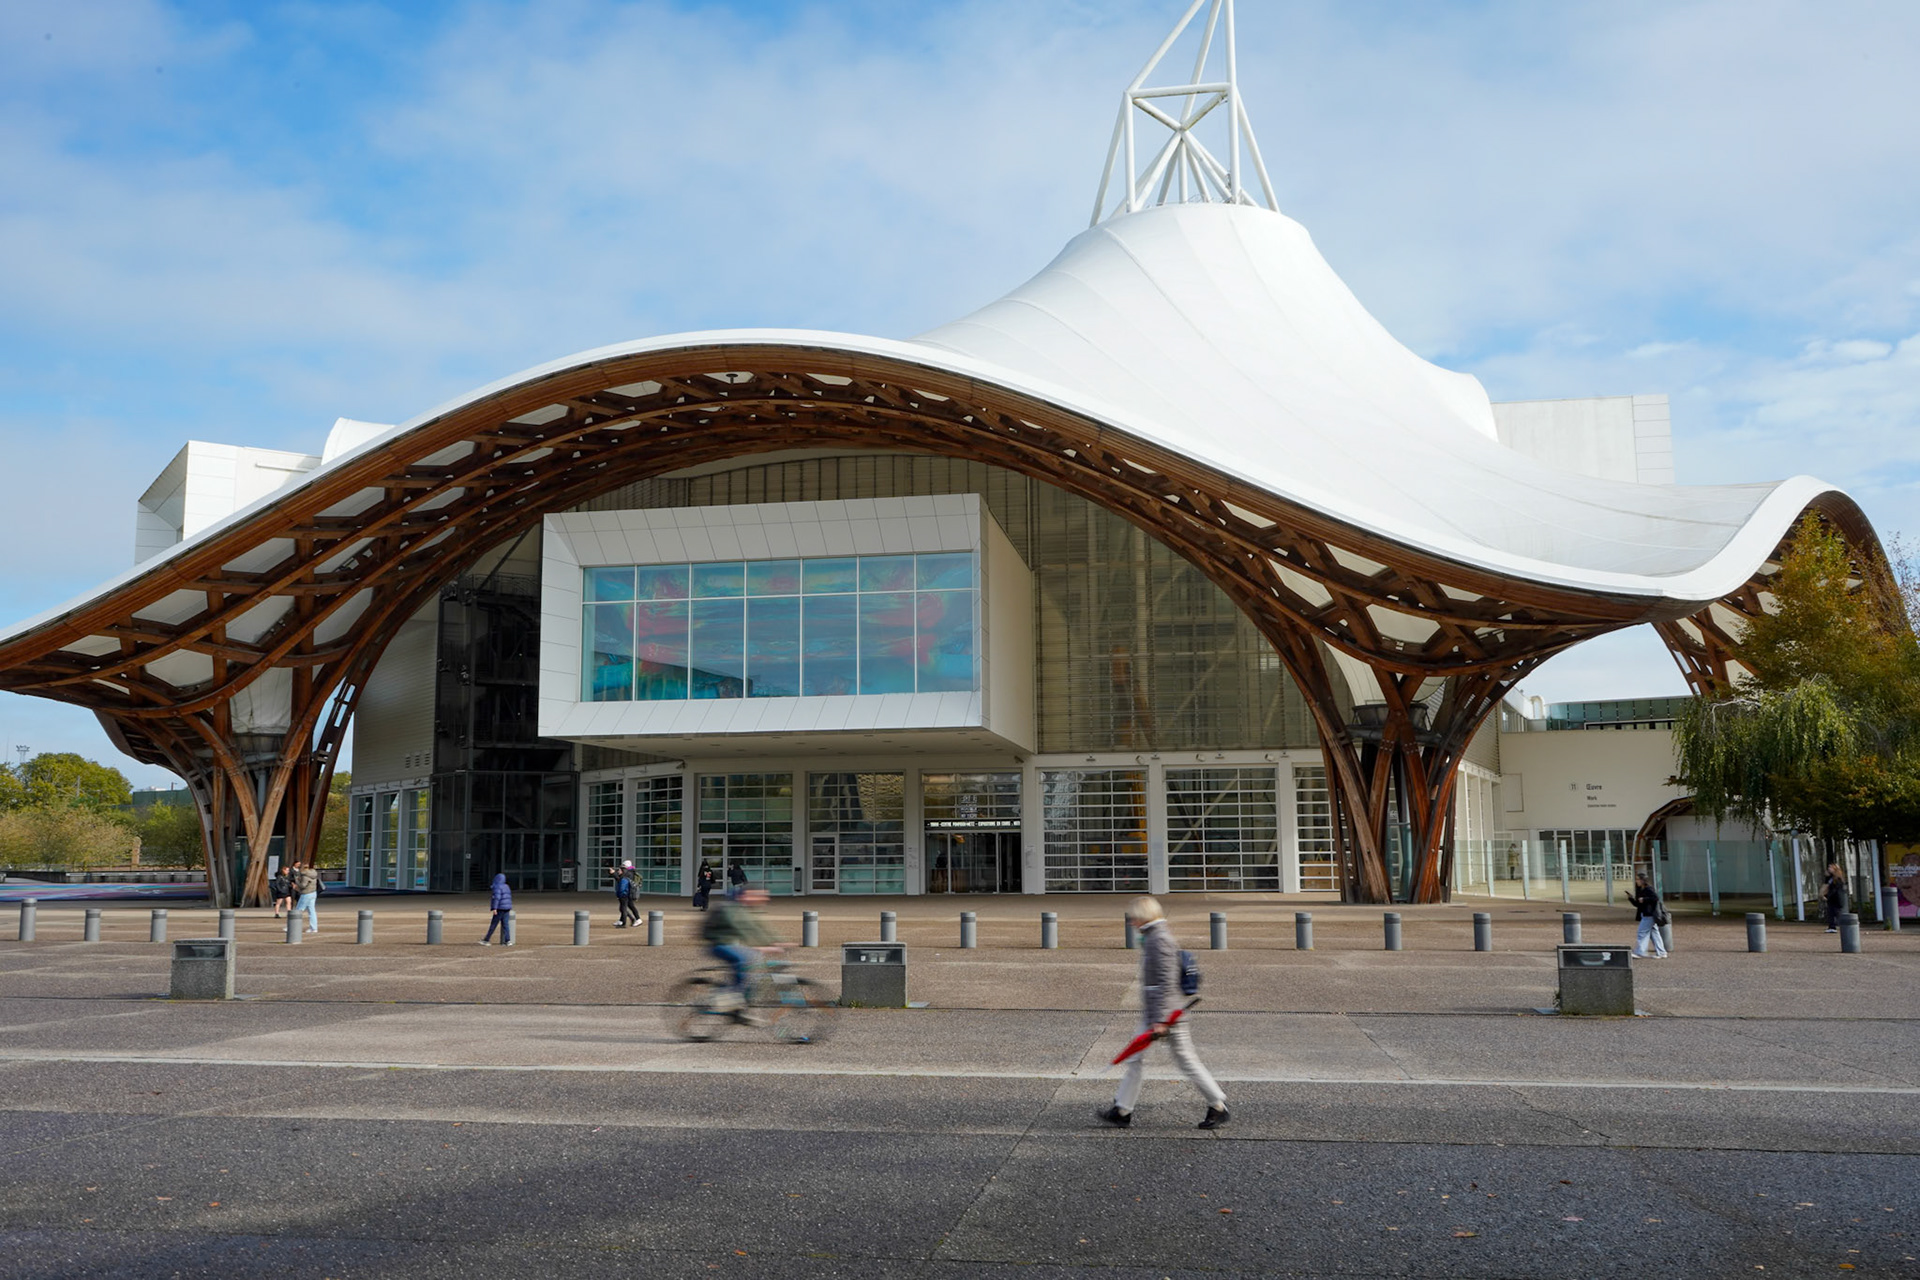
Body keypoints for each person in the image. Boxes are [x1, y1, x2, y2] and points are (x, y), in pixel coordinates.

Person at [1100, 896, 1228, 1130]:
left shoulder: (1159, 940)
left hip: (1165, 1015)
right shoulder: (1154, 937)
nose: (1131, 922)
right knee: (1139, 1058)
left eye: (1134, 917)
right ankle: (1122, 1109)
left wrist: (1160, 1020)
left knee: (1183, 1060)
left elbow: (1165, 982)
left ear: (1143, 916)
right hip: (1161, 1013)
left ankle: (1218, 1105)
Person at [701, 886, 779, 1024]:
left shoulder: (747, 910)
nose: (763, 899)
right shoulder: (729, 909)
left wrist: (780, 942)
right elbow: (742, 928)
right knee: (743, 960)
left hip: (733, 944)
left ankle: (740, 1010)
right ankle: (731, 1000)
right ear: (743, 896)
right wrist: (763, 946)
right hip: (719, 944)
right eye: (756, 895)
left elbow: (759, 928)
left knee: (754, 969)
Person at [1628, 871, 1669, 958]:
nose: (1637, 881)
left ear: (1643, 880)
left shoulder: (1648, 889)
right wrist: (1631, 899)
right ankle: (1662, 952)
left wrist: (1644, 899)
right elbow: (1638, 904)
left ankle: (1640, 951)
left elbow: (1655, 898)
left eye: (1638, 879)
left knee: (1642, 932)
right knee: (1654, 934)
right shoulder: (1641, 890)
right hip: (1646, 914)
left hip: (1649, 914)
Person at [480, 873, 513, 946]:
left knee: (493, 925)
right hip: (507, 908)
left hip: (499, 908)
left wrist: (494, 908)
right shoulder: (506, 886)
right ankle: (508, 941)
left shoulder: (497, 887)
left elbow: (496, 898)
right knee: (506, 925)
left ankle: (486, 939)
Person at [290, 861, 321, 934]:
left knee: (298, 910)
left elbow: (303, 885)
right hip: (313, 893)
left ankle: (292, 927)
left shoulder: (305, 876)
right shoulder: (314, 874)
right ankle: (314, 928)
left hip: (306, 894)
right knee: (312, 911)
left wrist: (297, 881)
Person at [1823, 862, 1849, 933]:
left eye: (1830, 868)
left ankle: (1835, 926)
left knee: (1836, 912)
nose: (1829, 869)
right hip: (1832, 899)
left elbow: (1835, 889)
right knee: (1831, 912)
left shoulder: (1837, 878)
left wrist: (1828, 896)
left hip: (1836, 898)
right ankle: (1832, 926)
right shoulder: (1831, 878)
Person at [615, 862, 639, 928]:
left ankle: (624, 923)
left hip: (624, 895)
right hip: (625, 895)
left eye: (619, 870)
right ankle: (630, 919)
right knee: (623, 908)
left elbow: (622, 888)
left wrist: (620, 895)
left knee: (624, 909)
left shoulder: (624, 879)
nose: (618, 871)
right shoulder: (624, 877)